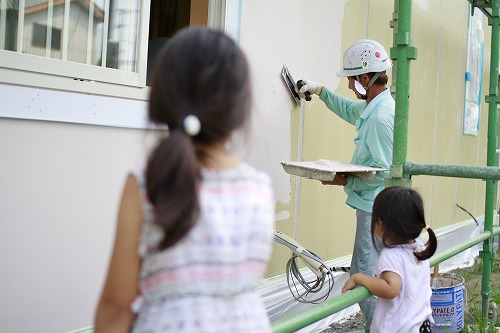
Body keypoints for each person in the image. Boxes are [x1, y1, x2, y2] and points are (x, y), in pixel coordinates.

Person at [94, 27, 275, 333]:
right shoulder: (260, 187)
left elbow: (116, 306)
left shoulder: (145, 184)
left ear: (164, 97)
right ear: (238, 107)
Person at [298, 39, 395, 332]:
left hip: (374, 207)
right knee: (370, 268)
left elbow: (383, 171)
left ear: (367, 78)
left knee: (364, 271)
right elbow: (350, 110)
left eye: (353, 80)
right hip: (374, 204)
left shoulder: (379, 117)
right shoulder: (374, 106)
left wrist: (344, 177)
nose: (351, 87)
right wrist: (320, 91)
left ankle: (380, 327)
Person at [341, 186, 437, 333]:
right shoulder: (419, 247)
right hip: (421, 325)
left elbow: (390, 288)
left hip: (400, 329)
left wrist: (359, 278)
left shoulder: (391, 255)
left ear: (380, 224)